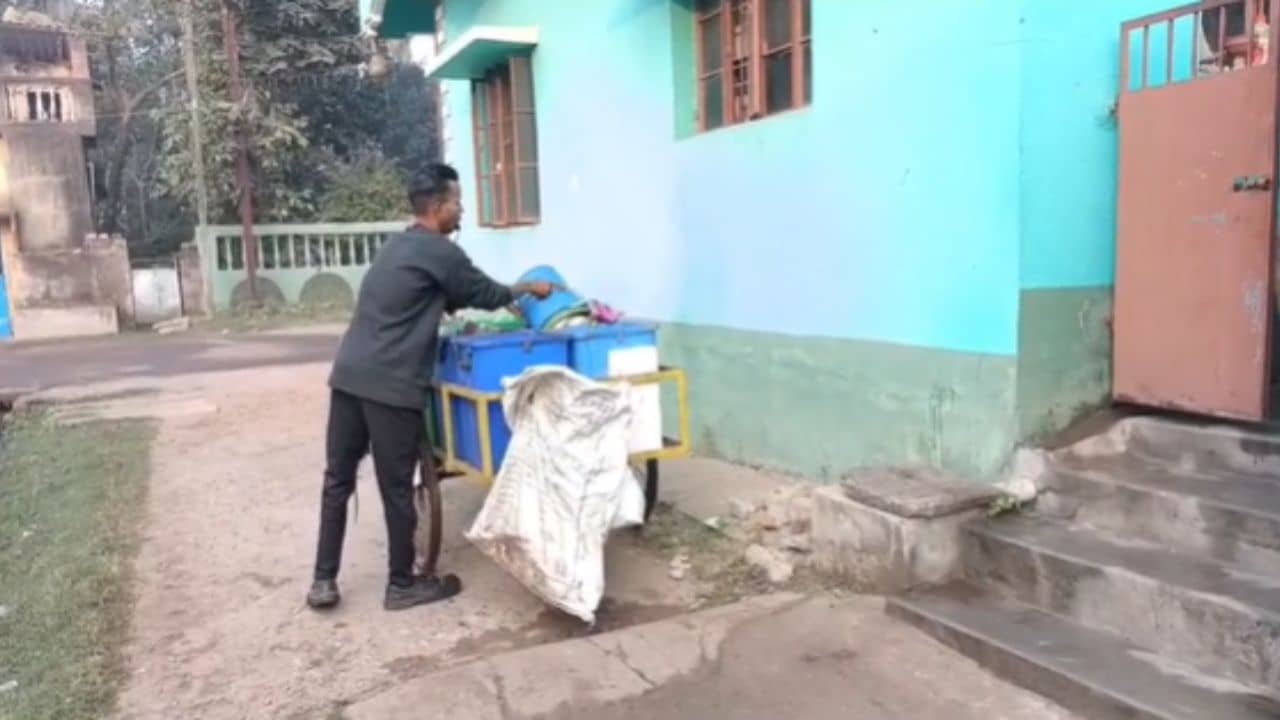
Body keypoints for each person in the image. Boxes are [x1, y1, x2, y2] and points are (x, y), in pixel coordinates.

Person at [307, 162, 552, 612]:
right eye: (457, 203)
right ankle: (402, 585)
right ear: (438, 208)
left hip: (348, 375)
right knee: (397, 486)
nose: (462, 211)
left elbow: (444, 296)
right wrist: (529, 287)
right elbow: (487, 292)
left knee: (337, 479)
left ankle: (323, 580)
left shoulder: (396, 247)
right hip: (391, 384)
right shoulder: (442, 252)